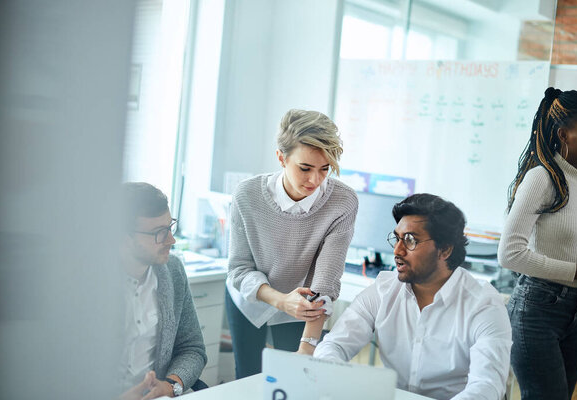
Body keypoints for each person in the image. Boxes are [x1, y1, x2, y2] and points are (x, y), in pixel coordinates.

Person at [314, 193, 512, 400]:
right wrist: (336, 378)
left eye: (410, 240)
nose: (397, 250)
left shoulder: (483, 304)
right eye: (397, 238)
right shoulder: (384, 289)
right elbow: (334, 345)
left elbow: (486, 387)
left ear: (444, 250)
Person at [226, 109, 358, 378]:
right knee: (249, 378)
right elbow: (239, 269)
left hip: (304, 305)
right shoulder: (247, 194)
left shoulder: (342, 202)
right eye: (305, 168)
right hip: (252, 298)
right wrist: (281, 300)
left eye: (325, 169)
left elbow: (325, 281)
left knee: (297, 379)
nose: (315, 180)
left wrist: (308, 347)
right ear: (281, 158)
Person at [498, 87, 577, 400]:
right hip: (536, 311)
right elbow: (510, 254)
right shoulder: (541, 179)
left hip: (575, 312)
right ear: (564, 134)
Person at [119, 182, 207, 399]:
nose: (171, 240)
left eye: (170, 227)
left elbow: (192, 348)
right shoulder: (87, 283)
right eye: (159, 232)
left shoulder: (173, 270)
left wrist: (170, 386)